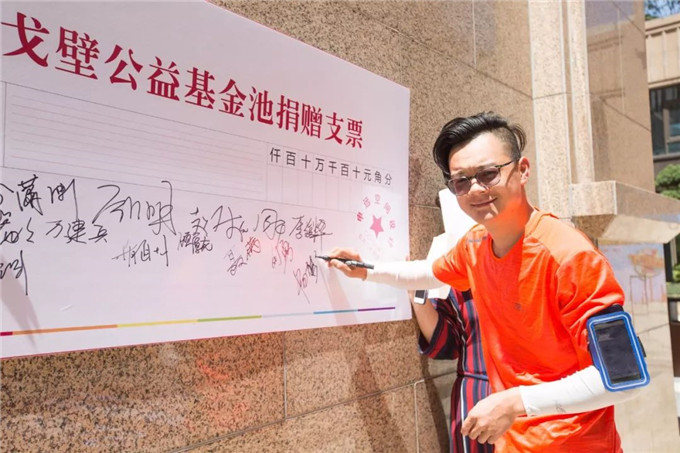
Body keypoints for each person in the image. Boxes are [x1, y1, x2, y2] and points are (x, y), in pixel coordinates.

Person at [326, 112, 642, 452]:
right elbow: (429, 272)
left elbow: (625, 377)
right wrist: (366, 269)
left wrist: (514, 402)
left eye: (489, 174)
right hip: (513, 443)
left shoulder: (571, 257)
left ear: (522, 170)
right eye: (461, 181)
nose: (475, 189)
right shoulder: (476, 244)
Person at [416, 287, 492, 453]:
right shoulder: (457, 279)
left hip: (530, 389)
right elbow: (445, 344)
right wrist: (416, 290)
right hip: (476, 395)